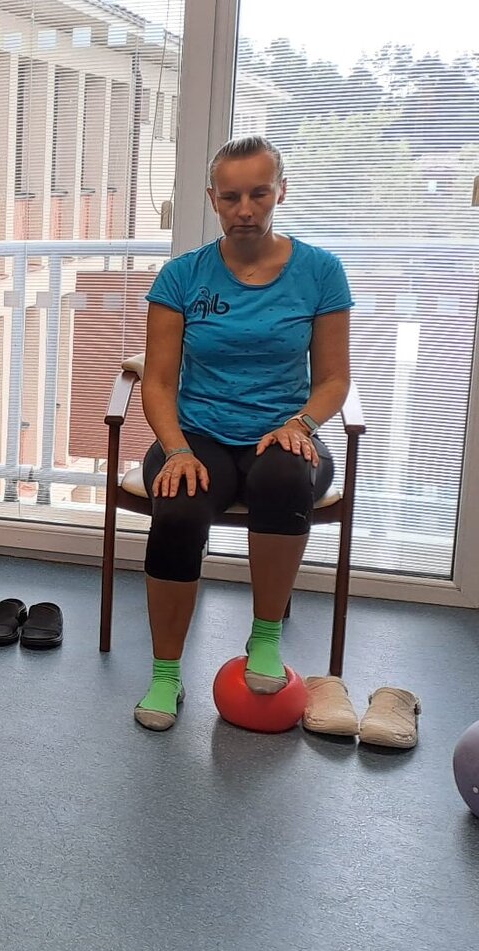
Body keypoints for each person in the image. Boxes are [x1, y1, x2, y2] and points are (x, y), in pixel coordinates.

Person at [132, 136, 352, 731]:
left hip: (284, 432)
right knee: (178, 509)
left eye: (259, 194)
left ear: (281, 191)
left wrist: (301, 424)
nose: (246, 210)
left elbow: (334, 379)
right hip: (197, 434)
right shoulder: (182, 276)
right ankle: (166, 674)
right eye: (231, 198)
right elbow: (158, 381)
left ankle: (265, 636)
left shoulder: (320, 272)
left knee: (284, 480)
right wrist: (176, 450)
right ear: (213, 199)